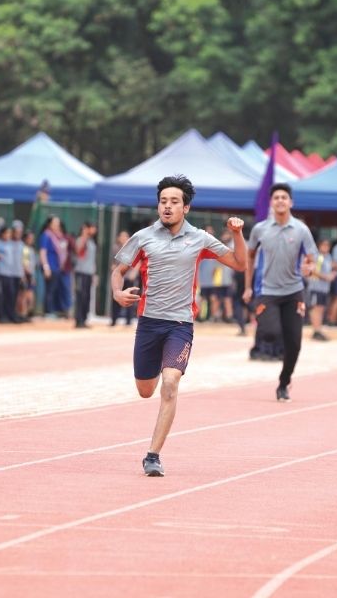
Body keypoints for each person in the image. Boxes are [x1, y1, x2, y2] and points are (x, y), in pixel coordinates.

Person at [112, 175, 246, 477]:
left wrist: (237, 234)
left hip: (180, 324)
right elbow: (118, 271)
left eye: (174, 202)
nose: (167, 207)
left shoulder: (199, 238)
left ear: (186, 207)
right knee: (146, 390)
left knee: (170, 383)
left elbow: (239, 264)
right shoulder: (144, 237)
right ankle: (155, 373)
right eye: (163, 201)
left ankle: (152, 455)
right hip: (148, 323)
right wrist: (117, 292)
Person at [243, 183, 317, 401]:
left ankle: (284, 383)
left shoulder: (301, 230)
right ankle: (272, 333)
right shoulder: (260, 229)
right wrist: (248, 286)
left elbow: (311, 258)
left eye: (284, 197)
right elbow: (249, 256)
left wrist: (309, 268)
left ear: (291, 202)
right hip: (268, 291)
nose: (280, 201)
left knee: (294, 344)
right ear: (271, 202)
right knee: (270, 333)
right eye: (276, 198)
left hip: (294, 291)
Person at [39, 216, 69, 317]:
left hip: (57, 267)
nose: (57, 225)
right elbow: (43, 252)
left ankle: (52, 310)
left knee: (54, 289)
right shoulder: (46, 235)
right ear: (49, 224)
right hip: (50, 266)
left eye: (58, 223)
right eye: (54, 223)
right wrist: (46, 267)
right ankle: (47, 311)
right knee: (50, 289)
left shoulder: (58, 236)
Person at [307, 238, 334, 341]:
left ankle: (319, 329)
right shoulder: (316, 256)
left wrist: (332, 275)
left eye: (327, 246)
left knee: (321, 308)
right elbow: (313, 271)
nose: (326, 247)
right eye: (324, 245)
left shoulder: (328, 257)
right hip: (316, 286)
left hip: (324, 288)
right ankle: (316, 330)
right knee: (316, 308)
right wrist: (326, 277)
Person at [110, 230, 138, 326]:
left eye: (125, 236)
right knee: (116, 297)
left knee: (130, 298)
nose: (123, 238)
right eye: (122, 236)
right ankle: (113, 320)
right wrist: (114, 269)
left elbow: (139, 261)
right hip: (119, 277)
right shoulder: (115, 248)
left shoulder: (132, 248)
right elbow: (113, 263)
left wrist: (134, 272)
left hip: (128, 277)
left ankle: (128, 321)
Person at [74, 221, 98, 328]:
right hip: (81, 272)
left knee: (87, 297)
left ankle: (84, 319)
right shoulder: (81, 240)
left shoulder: (92, 242)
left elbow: (93, 260)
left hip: (89, 272)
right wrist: (84, 235)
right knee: (80, 296)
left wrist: (94, 274)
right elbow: (78, 250)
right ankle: (78, 320)